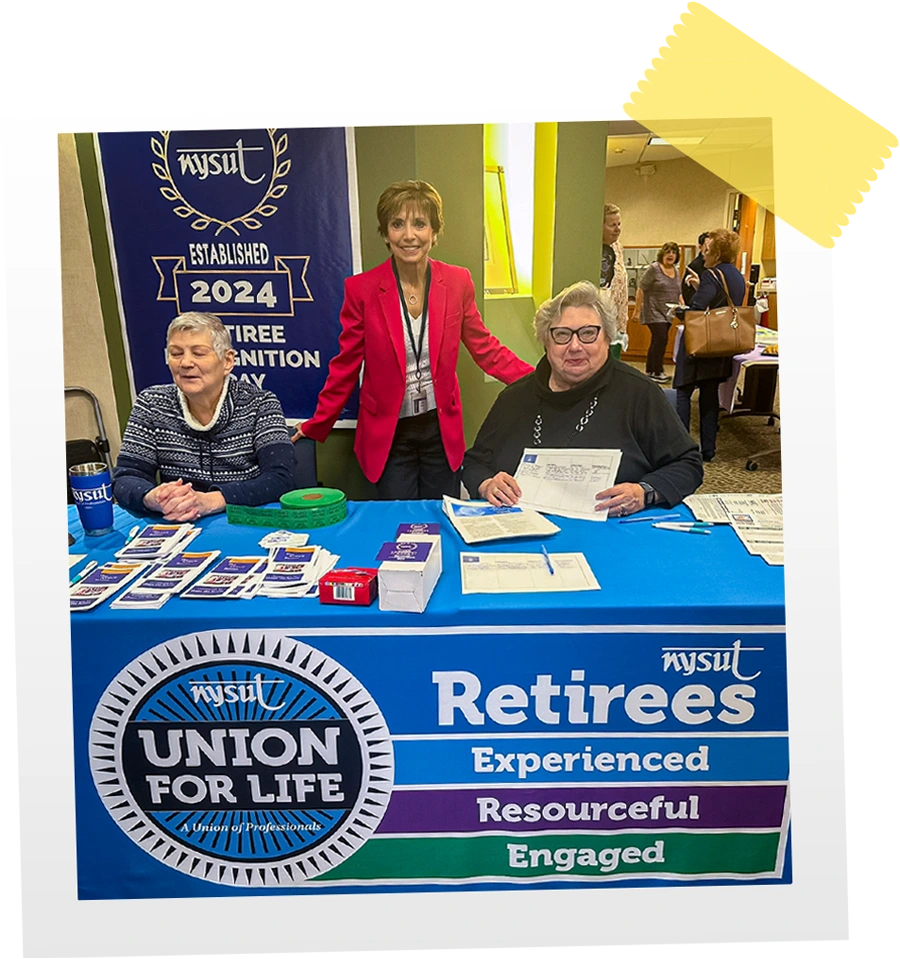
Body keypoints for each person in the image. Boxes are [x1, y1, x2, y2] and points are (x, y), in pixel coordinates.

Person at [294, 180, 533, 499]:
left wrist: (540, 380)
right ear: (385, 233)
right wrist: (317, 423)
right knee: (399, 526)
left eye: (419, 223)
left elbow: (484, 347)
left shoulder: (458, 281)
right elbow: (345, 366)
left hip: (440, 429)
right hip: (389, 434)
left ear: (434, 232)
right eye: (397, 224)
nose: (409, 235)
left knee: (440, 516)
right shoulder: (362, 290)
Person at [462, 281, 703, 517]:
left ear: (607, 339)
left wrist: (644, 492)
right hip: (522, 534)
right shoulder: (514, 398)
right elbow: (474, 463)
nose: (575, 346)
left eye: (588, 333)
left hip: (613, 537)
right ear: (546, 342)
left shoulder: (639, 393)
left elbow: (688, 464)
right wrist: (486, 484)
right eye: (562, 335)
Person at [113, 313, 294, 521]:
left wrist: (211, 501)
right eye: (176, 353)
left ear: (227, 361)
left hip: (243, 521)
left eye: (198, 353)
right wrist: (153, 497)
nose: (186, 363)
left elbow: (280, 479)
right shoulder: (151, 403)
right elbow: (125, 477)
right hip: (177, 524)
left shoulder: (261, 403)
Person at [673, 228, 746, 462]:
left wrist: (680, 312)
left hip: (701, 345)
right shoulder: (736, 276)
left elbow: (697, 311)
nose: (703, 255)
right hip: (722, 344)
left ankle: (681, 447)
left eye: (706, 250)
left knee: (683, 392)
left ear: (716, 253)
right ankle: (709, 449)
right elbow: (721, 305)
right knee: (709, 395)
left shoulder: (710, 275)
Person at [633, 241, 683, 383]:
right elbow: (641, 288)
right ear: (662, 254)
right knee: (661, 338)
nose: (671, 255)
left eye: (673, 252)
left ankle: (650, 370)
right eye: (668, 252)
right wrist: (637, 311)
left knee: (658, 340)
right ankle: (657, 370)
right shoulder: (654, 268)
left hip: (668, 312)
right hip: (653, 310)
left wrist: (683, 307)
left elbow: (678, 292)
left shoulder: (676, 271)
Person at [599, 203, 629, 357]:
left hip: (618, 323)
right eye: (612, 225)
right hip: (599, 323)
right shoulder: (593, 250)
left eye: (619, 224)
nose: (617, 229)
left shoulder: (617, 247)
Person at [682, 231, 711, 306]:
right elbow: (686, 290)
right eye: (707, 245)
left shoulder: (715, 264)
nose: (710, 248)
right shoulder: (695, 266)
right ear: (700, 247)